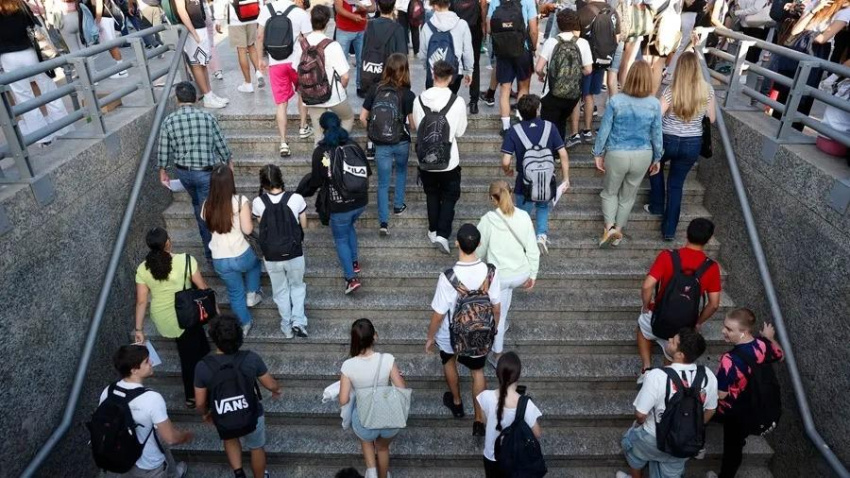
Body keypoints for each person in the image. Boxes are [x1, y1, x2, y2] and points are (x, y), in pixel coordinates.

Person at [426, 223, 502, 437]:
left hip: (451, 333)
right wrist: (492, 329)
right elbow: (496, 307)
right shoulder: (491, 273)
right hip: (480, 333)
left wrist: (430, 337)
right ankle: (479, 419)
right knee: (477, 371)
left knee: (449, 361)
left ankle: (457, 403)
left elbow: (438, 314)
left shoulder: (448, 277)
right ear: (479, 244)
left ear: (457, 243)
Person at [616, 328, 718, 478]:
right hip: (685, 441)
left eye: (673, 342)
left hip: (653, 436)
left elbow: (640, 414)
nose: (669, 339)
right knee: (672, 469)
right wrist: (693, 428)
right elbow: (711, 410)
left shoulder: (656, 376)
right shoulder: (708, 375)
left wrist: (638, 425)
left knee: (630, 445)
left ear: (680, 355)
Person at [194, 314, 282, 478]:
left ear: (214, 337)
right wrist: (277, 390)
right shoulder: (251, 358)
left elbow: (199, 401)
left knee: (230, 439)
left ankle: (239, 472)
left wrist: (206, 412)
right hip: (252, 410)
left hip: (224, 412)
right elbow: (270, 384)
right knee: (256, 446)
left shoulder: (203, 366)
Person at [134, 227, 212, 409]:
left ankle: (203, 376)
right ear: (168, 242)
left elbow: (141, 301)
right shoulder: (185, 260)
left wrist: (139, 329)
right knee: (189, 358)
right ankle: (192, 396)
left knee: (195, 345)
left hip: (162, 317)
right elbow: (203, 287)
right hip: (186, 314)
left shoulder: (142, 269)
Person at [637, 218, 722, 382]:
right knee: (675, 350)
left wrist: (646, 305)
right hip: (685, 322)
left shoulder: (668, 256)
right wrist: (698, 322)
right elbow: (714, 304)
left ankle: (647, 368)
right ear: (709, 239)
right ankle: (667, 378)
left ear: (686, 233)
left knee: (642, 326)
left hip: (659, 313)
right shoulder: (711, 267)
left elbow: (647, 286)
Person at [157, 82, 232, 260]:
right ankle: (215, 252)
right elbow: (220, 143)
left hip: (184, 174)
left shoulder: (169, 121)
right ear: (196, 97)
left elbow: (163, 149)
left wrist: (162, 170)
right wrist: (228, 161)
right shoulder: (207, 117)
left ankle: (210, 252)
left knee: (199, 206)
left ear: (177, 99)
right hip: (205, 173)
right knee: (206, 212)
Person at [592, 60, 663, 248]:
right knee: (628, 196)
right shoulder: (654, 104)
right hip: (643, 154)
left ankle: (609, 228)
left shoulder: (616, 101)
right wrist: (657, 157)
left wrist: (598, 153)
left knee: (609, 193)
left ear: (629, 77)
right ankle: (619, 230)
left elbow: (604, 130)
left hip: (617, 153)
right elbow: (657, 133)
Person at [706, 308, 784, 478]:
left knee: (701, 407)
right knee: (736, 446)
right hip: (755, 405)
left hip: (735, 411)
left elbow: (721, 395)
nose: (723, 331)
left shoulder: (730, 359)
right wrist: (770, 338)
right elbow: (780, 355)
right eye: (724, 326)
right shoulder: (762, 344)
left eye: (729, 329)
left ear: (744, 332)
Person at [646, 51, 715, 241]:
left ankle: (657, 204)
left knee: (653, 166)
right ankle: (669, 231)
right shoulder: (707, 90)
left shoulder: (672, 90)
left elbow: (656, 116)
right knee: (676, 185)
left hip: (668, 139)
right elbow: (712, 118)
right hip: (692, 142)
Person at [99, 345, 194, 477]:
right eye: (146, 361)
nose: (151, 363)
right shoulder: (152, 398)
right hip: (149, 466)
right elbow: (171, 438)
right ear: (134, 370)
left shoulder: (108, 391)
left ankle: (175, 473)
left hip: (120, 459)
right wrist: (185, 436)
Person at [475, 180, 539, 367]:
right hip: (521, 274)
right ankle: (501, 326)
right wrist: (533, 275)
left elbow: (479, 250)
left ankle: (497, 353)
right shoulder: (524, 216)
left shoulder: (488, 219)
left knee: (499, 316)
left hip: (500, 277)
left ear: (492, 199)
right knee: (505, 299)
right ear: (511, 193)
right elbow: (532, 249)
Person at [306, 112, 371, 294]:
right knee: (349, 227)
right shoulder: (353, 145)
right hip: (360, 201)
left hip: (339, 204)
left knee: (341, 238)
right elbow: (367, 172)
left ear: (322, 128)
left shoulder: (321, 151)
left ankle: (351, 279)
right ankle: (354, 262)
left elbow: (317, 181)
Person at [499, 94, 570, 251]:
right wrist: (565, 178)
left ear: (520, 112)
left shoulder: (514, 131)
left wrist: (508, 170)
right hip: (546, 180)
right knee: (543, 207)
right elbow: (563, 154)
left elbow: (505, 160)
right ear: (538, 110)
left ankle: (524, 241)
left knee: (523, 213)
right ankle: (541, 236)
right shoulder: (550, 127)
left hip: (524, 182)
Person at [412, 60, 469, 254]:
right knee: (450, 195)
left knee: (432, 193)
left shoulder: (418, 100)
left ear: (432, 74)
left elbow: (417, 126)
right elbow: (460, 132)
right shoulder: (457, 101)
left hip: (425, 158)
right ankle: (443, 235)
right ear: (451, 78)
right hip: (449, 159)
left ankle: (433, 229)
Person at [340, 319, 407, 478]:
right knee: (383, 448)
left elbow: (343, 400)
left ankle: (371, 472)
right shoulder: (388, 359)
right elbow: (402, 389)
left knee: (366, 439)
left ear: (354, 339)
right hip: (388, 415)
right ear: (374, 336)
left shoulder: (348, 365)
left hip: (364, 418)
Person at [0, 0, 73, 146]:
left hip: (7, 57)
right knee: (48, 89)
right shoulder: (20, 4)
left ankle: (42, 138)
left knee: (24, 98)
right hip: (30, 52)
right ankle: (64, 129)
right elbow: (33, 26)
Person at [202, 165, 263, 337]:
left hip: (219, 259)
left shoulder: (206, 205)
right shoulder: (240, 201)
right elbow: (248, 229)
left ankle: (244, 324)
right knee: (255, 262)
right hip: (241, 253)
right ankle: (252, 292)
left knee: (235, 293)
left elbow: (208, 227)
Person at [359, 53, 416, 236]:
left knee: (382, 184)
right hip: (401, 142)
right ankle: (398, 206)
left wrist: (373, 131)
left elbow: (362, 117)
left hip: (381, 143)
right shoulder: (408, 94)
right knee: (400, 171)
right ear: (405, 71)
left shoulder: (375, 89)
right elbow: (412, 124)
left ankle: (383, 222)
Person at [252, 164, 309, 338]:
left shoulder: (258, 202)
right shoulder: (296, 198)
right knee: (297, 286)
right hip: (294, 252)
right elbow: (304, 224)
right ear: (281, 179)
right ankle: (299, 321)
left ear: (263, 183)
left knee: (280, 290)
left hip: (272, 255)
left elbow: (262, 225)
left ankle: (286, 326)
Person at [257, 0, 312, 157]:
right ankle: (303, 127)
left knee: (281, 103)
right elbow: (309, 42)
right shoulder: (301, 13)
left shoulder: (266, 10)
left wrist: (260, 58)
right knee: (302, 94)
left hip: (275, 63)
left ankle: (283, 142)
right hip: (297, 62)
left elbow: (260, 36)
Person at [476, 352, 543, 477]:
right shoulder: (525, 405)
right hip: (515, 459)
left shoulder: (485, 397)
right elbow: (537, 433)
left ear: (498, 374)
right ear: (518, 375)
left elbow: (485, 421)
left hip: (491, 457)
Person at [535, 8, 593, 144]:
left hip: (552, 94)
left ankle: (550, 154)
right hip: (572, 96)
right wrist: (574, 74)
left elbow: (538, 68)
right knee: (561, 123)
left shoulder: (551, 42)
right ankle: (559, 152)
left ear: (558, 24)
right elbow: (588, 70)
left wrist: (543, 75)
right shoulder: (583, 43)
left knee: (548, 126)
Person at [302, 5, 356, 144]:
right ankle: (337, 143)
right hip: (333, 94)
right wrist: (342, 89)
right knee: (347, 117)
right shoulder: (332, 45)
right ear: (327, 23)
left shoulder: (302, 44)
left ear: (311, 20)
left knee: (318, 134)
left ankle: (321, 158)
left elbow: (296, 69)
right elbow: (345, 76)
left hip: (311, 94)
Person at [487, 0, 538, 135]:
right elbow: (533, 30)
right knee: (523, 86)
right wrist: (533, 47)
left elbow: (489, 28)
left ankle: (505, 127)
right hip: (523, 49)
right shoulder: (528, 2)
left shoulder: (495, 2)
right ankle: (521, 119)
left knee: (505, 89)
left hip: (503, 51)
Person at [573, 1, 618, 145]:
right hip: (602, 60)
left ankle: (574, 132)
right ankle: (587, 129)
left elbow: (575, 40)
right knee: (590, 95)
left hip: (585, 61)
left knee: (577, 96)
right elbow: (617, 38)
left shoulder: (583, 12)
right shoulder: (613, 12)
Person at [173, 0, 230, 108]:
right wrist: (193, 32)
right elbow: (181, 10)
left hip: (200, 26)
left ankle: (209, 93)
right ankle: (207, 97)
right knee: (197, 64)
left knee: (203, 63)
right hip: (192, 30)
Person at [419, 0, 475, 92]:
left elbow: (423, 53)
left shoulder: (427, 26)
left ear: (433, 5)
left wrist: (427, 67)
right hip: (454, 73)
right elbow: (467, 51)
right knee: (450, 102)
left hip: (434, 72)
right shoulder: (461, 24)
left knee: (433, 103)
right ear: (449, 3)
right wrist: (469, 71)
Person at [214, 0, 265, 93]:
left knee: (241, 50)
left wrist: (218, 20)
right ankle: (259, 73)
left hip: (236, 18)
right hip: (252, 13)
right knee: (251, 46)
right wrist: (260, 11)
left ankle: (248, 84)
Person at [449, 0, 486, 113]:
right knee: (475, 64)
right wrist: (483, 23)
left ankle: (451, 95)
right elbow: (483, 4)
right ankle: (474, 102)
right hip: (474, 26)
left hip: (456, 25)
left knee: (455, 60)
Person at [334, 0, 376, 95]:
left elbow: (373, 7)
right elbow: (338, 8)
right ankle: (341, 88)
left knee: (362, 60)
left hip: (361, 30)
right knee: (341, 61)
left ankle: (360, 86)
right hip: (344, 30)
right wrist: (353, 16)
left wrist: (366, 8)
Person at [80, 0, 129, 78]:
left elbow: (99, 5)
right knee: (110, 45)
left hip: (103, 19)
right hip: (105, 18)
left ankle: (122, 70)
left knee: (112, 45)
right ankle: (120, 69)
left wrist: (97, 23)